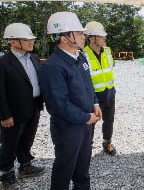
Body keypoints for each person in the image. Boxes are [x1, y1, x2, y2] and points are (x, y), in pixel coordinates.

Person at [38, 12, 102, 190]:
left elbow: (88, 85)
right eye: (79, 33)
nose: (84, 36)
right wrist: (85, 117)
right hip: (68, 128)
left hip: (85, 123)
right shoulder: (53, 66)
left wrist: (95, 103)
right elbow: (58, 105)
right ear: (65, 38)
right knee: (64, 170)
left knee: (82, 170)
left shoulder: (80, 57)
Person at [0, 23, 45, 189]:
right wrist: (4, 115)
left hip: (34, 106)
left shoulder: (33, 57)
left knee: (27, 138)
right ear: (12, 41)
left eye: (31, 38)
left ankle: (25, 165)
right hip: (14, 111)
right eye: (26, 39)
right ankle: (6, 171)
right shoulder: (4, 63)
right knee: (9, 142)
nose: (31, 41)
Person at [83, 21, 117, 155]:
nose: (104, 39)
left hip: (109, 92)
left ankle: (107, 142)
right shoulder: (83, 54)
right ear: (92, 38)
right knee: (90, 123)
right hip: (93, 96)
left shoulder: (107, 51)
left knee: (109, 120)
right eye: (101, 36)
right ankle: (86, 147)